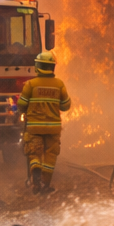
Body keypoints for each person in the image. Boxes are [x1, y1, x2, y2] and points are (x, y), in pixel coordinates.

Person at [17, 50, 71, 195]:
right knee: (50, 156)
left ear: (38, 66)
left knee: (34, 152)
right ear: (52, 67)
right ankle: (45, 185)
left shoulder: (30, 84)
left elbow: (21, 105)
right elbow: (66, 106)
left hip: (34, 127)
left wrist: (24, 109)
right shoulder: (59, 84)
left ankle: (35, 174)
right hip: (53, 128)